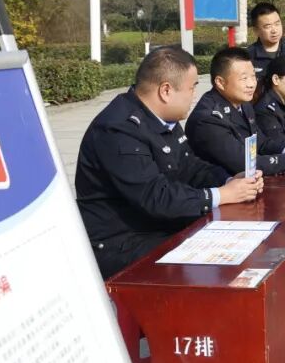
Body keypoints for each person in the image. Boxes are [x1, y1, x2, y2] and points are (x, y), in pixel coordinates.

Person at [76, 47, 263, 279]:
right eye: (192, 88)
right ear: (166, 90)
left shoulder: (162, 120)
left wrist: (229, 181)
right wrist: (221, 195)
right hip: (125, 242)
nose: (194, 96)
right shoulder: (118, 130)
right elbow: (156, 197)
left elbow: (190, 167)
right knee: (221, 267)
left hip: (158, 226)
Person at [185, 46, 285, 176]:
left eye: (253, 77)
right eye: (244, 78)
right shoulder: (208, 118)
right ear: (220, 82)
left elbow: (261, 143)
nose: (252, 84)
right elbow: (244, 163)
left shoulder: (244, 104)